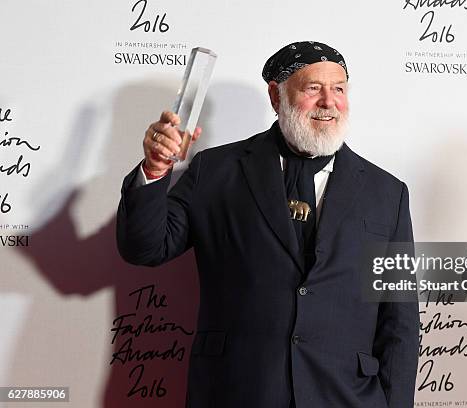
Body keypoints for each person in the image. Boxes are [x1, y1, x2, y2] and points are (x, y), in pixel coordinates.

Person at [116, 41, 418, 408]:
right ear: (276, 96)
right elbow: (146, 248)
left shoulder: (388, 193)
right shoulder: (216, 171)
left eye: (338, 89)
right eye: (313, 88)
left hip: (347, 398)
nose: (329, 101)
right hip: (236, 392)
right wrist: (155, 171)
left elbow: (399, 321)